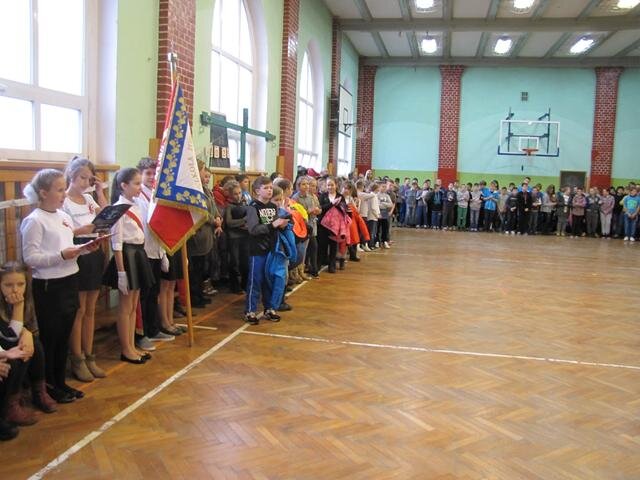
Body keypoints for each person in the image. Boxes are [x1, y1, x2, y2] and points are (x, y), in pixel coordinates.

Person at [21, 169, 101, 402]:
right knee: (51, 337)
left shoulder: (63, 216)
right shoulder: (34, 220)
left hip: (69, 280)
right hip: (49, 286)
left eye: (63, 189)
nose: (63, 194)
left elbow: (68, 247)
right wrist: (61, 256)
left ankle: (60, 382)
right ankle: (46, 387)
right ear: (43, 193)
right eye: (59, 190)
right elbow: (31, 259)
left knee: (64, 335)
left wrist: (85, 249)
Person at [62, 157, 109, 382]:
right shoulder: (64, 201)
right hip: (78, 254)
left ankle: (90, 356)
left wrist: (100, 192)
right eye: (82, 178)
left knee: (91, 308)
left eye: (89, 179)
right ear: (71, 175)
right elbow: (65, 231)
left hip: (94, 253)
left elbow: (107, 216)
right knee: (79, 310)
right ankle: (77, 358)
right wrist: (84, 229)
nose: (85, 182)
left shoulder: (89, 198)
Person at [103, 168, 155, 365]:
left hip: (138, 254)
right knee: (125, 307)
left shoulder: (135, 205)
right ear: (123, 185)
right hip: (127, 256)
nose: (139, 187)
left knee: (134, 306)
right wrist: (121, 272)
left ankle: (132, 346)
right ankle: (126, 349)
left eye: (140, 183)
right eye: (136, 183)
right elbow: (116, 244)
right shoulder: (118, 208)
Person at [0, 261, 59, 434]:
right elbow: (8, 336)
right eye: (8, 285)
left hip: (6, 346)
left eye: (20, 284)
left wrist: (26, 333)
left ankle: (39, 392)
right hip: (4, 348)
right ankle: (10, 405)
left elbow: (23, 331)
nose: (15, 290)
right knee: (14, 355)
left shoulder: (29, 299)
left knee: (33, 345)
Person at [134, 157, 175, 351]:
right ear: (140, 174)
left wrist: (164, 253)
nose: (151, 177)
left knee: (153, 293)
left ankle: (153, 328)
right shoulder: (138, 196)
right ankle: (140, 333)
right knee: (143, 295)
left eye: (154, 173)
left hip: (157, 250)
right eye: (148, 173)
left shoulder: (156, 195)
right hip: (143, 251)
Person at [244, 176, 289, 324]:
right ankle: (250, 310)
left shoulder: (272, 206)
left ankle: (269, 308)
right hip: (257, 250)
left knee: (269, 280)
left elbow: (274, 225)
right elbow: (253, 229)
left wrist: (281, 225)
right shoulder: (253, 207)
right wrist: (273, 225)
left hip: (271, 250)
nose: (270, 190)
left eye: (270, 187)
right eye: (266, 188)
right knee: (255, 280)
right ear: (257, 191)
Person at [224, 180, 249, 294]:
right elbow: (229, 222)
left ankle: (245, 284)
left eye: (239, 193)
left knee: (245, 262)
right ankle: (235, 286)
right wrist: (243, 220)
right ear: (230, 194)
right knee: (234, 262)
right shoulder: (229, 206)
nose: (238, 196)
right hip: (233, 237)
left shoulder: (245, 204)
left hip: (245, 236)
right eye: (235, 194)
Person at [318, 177, 348, 273]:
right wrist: (332, 204)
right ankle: (319, 264)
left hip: (335, 226)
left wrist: (340, 206)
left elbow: (344, 209)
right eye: (328, 185)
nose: (330, 187)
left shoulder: (340, 196)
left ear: (336, 185)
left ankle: (332, 265)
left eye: (332, 185)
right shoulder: (323, 196)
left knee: (333, 245)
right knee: (322, 245)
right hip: (323, 224)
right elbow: (321, 208)